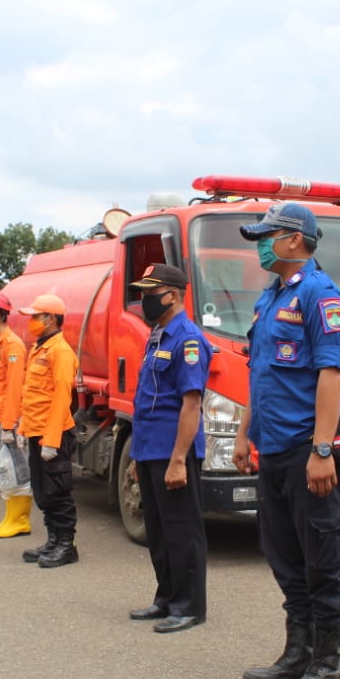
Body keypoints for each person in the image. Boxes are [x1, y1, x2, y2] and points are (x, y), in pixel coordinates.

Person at [233, 202, 340, 679]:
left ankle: (326, 664)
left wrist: (322, 449)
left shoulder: (320, 295)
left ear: (292, 240)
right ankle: (297, 652)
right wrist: (245, 434)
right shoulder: (270, 299)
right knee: (284, 556)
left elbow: (331, 373)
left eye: (266, 235)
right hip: (275, 449)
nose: (260, 244)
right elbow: (259, 375)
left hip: (310, 449)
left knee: (321, 560)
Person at [127, 264, 211, 633]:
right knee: (158, 530)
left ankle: (190, 605)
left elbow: (191, 404)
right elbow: (146, 400)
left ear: (173, 295)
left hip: (173, 451)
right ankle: (166, 598)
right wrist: (135, 456)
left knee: (182, 530)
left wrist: (179, 459)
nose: (145, 299)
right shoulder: (157, 336)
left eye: (151, 292)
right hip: (149, 449)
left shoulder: (188, 340)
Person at [18, 293, 79, 568]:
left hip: (52, 435)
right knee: (43, 492)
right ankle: (53, 540)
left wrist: (51, 440)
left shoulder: (60, 351)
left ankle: (67, 546)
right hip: (36, 431)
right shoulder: (40, 347)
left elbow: (61, 398)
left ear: (50, 319)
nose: (31, 322)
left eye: (35, 316)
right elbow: (31, 395)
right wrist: (24, 429)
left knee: (58, 492)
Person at [0, 289, 33, 539]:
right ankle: (10, 516)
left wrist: (10, 424)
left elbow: (14, 387)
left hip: (6, 419)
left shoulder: (13, 345)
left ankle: (20, 520)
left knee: (16, 470)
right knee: (3, 471)